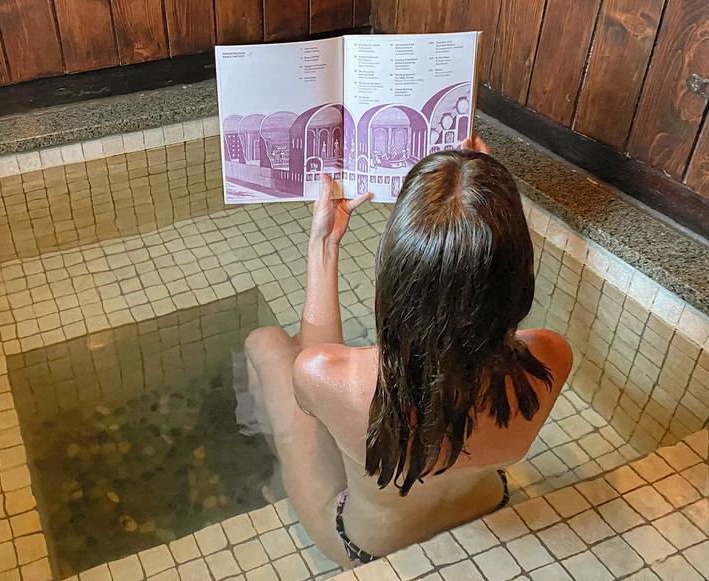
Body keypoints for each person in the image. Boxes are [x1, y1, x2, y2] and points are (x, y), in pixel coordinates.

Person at [244, 134, 573, 567]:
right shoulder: (551, 356)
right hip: (486, 508)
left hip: (367, 547)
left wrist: (324, 243)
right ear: (517, 270)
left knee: (266, 344)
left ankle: (269, 478)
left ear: (395, 274)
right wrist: (486, 201)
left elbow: (316, 362)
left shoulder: (339, 377)